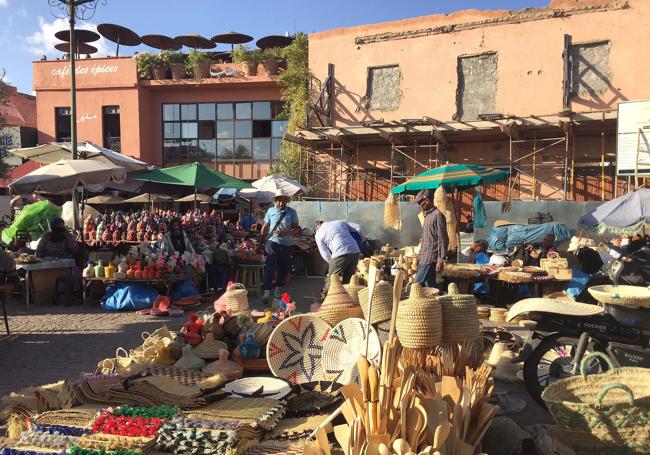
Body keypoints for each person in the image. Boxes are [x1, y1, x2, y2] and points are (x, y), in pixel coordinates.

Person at [260, 190, 299, 303]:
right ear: (275, 201)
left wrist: (285, 234)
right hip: (272, 241)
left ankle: (278, 290)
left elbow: (296, 229)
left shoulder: (292, 212)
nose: (281, 203)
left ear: (286, 202)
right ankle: (266, 292)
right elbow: (266, 225)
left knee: (284, 268)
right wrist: (263, 233)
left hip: (286, 244)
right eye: (279, 201)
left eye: (283, 201)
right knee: (270, 265)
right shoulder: (270, 211)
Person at [314, 220, 363, 295]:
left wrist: (332, 263)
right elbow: (358, 227)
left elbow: (325, 253)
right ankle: (347, 300)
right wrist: (358, 241)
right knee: (348, 281)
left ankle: (327, 299)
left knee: (332, 280)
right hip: (355, 251)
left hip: (339, 253)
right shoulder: (340, 222)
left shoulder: (318, 233)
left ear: (317, 227)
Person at [414, 189, 448, 288]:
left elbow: (443, 239)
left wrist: (441, 259)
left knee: (416, 286)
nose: (418, 205)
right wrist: (419, 255)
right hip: (424, 256)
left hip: (430, 258)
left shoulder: (438, 215)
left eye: (420, 202)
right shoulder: (428, 215)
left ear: (427, 201)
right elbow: (428, 237)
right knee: (429, 288)